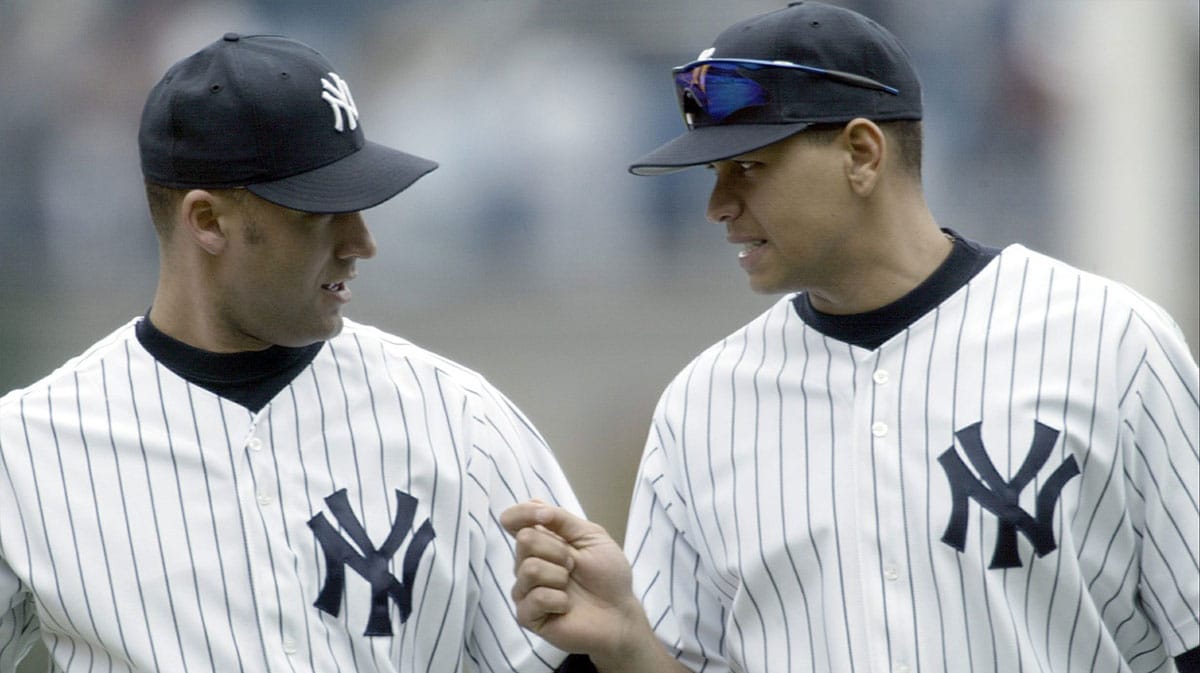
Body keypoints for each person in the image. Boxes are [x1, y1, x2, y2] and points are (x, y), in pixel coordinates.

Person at [501, 3, 1200, 672]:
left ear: (861, 153)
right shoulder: (702, 405)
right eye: (713, 174)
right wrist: (627, 642)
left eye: (747, 167)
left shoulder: (1111, 344)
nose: (717, 206)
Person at [0, 33, 586, 673]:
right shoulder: (26, 448)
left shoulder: (463, 419)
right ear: (207, 220)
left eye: (359, 202)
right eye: (320, 211)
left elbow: (567, 656)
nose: (362, 242)